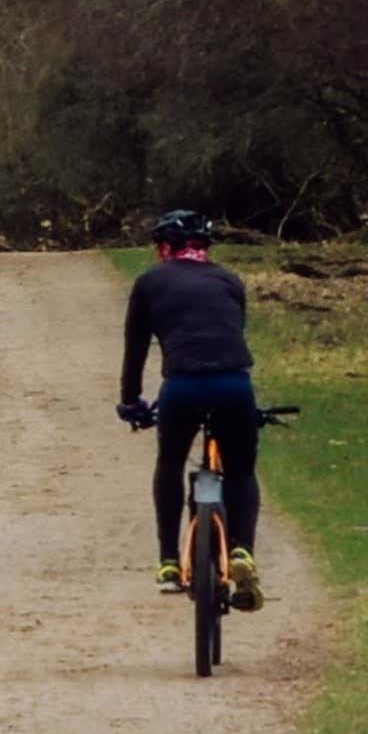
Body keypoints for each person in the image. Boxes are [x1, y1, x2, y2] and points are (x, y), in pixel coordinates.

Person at [114, 208, 261, 606]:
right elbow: (227, 336)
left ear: (164, 248)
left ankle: (168, 562)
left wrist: (130, 401)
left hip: (182, 387)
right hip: (234, 385)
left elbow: (135, 349)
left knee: (170, 464)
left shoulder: (149, 282)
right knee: (241, 470)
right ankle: (242, 550)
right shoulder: (229, 280)